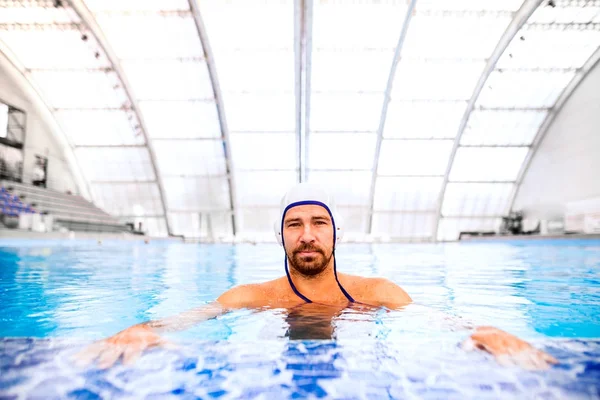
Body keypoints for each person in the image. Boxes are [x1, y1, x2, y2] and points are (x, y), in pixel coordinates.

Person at [77, 183, 558, 370]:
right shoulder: (252, 295)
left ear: (335, 235)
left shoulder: (378, 292)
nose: (307, 236)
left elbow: (436, 321)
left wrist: (484, 329)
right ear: (282, 239)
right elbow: (194, 317)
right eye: (294, 225)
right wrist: (145, 328)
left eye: (318, 224)